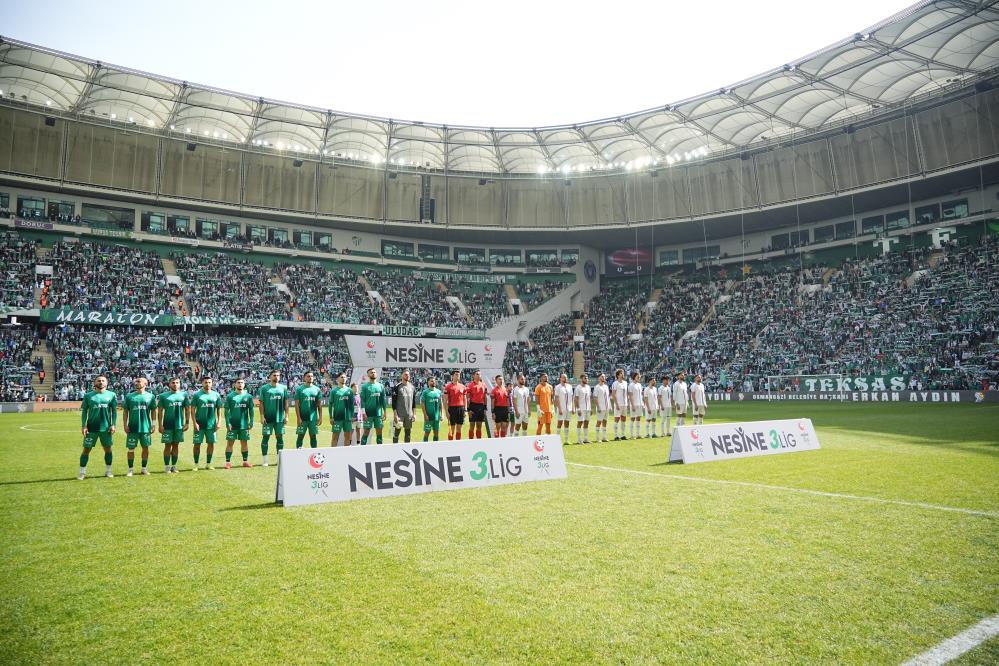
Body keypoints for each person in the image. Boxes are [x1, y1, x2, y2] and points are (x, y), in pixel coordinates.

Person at [77, 374, 117, 480]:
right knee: (86, 449)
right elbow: (85, 411)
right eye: (99, 380)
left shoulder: (112, 395)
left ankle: (108, 471)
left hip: (106, 428)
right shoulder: (88, 395)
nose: (101, 382)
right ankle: (82, 473)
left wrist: (113, 425)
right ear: (95, 383)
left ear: (106, 383)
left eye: (103, 380)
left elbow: (114, 411)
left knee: (108, 449)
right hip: (91, 428)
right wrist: (83, 426)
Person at [122, 376, 154, 476]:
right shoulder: (129, 396)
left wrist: (153, 424)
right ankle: (130, 470)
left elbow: (153, 411)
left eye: (139, 381)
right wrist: (125, 425)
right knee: (131, 449)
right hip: (132, 427)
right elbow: (125, 411)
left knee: (145, 448)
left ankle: (144, 468)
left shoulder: (150, 396)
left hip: (145, 427)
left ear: (145, 384)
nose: (136, 383)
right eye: (136, 381)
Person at [157, 377, 189, 474]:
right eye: (173, 383)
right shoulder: (163, 396)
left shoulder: (184, 395)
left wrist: (187, 423)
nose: (175, 384)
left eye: (177, 383)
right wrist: (160, 425)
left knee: (176, 445)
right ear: (169, 384)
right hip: (167, 425)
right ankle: (167, 466)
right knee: (167, 445)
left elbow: (187, 409)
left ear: (180, 384)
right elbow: (160, 411)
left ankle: (174, 466)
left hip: (179, 425)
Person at [257, 369, 290, 465]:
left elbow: (286, 403)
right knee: (266, 437)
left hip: (280, 418)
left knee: (279, 437)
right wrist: (262, 416)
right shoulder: (264, 388)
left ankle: (279, 460)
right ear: (270, 377)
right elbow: (261, 404)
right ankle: (265, 461)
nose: (276, 377)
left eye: (278, 375)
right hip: (268, 418)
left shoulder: (283, 388)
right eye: (274, 375)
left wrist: (286, 416)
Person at [190, 376, 222, 470]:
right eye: (205, 382)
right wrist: (194, 422)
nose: (207, 384)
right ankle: (196, 464)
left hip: (211, 425)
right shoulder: (197, 395)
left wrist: (219, 422)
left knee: (211, 444)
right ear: (202, 383)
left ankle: (208, 463)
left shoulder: (216, 395)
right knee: (197, 444)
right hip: (199, 424)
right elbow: (192, 410)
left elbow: (219, 409)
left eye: (209, 382)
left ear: (212, 383)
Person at [223, 377, 254, 468]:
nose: (240, 384)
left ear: (244, 384)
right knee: (230, 443)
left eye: (242, 383)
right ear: (235, 384)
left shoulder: (248, 396)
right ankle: (228, 462)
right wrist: (227, 423)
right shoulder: (230, 396)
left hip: (244, 425)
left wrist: (251, 421)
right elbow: (226, 411)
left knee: (244, 443)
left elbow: (251, 410)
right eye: (238, 382)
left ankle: (245, 461)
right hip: (232, 425)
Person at [294, 371, 323, 449]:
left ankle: (314, 453)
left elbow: (319, 405)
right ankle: (298, 453)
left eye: (312, 376)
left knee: (313, 436)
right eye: (308, 376)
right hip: (302, 418)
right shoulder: (300, 389)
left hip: (313, 418)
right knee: (300, 435)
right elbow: (296, 405)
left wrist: (320, 417)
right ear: (304, 378)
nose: (310, 378)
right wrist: (298, 418)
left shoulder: (317, 389)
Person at [359, 368, 388, 445]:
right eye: (371, 372)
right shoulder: (365, 386)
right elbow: (362, 401)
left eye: (374, 372)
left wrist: (385, 412)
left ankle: (379, 450)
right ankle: (361, 449)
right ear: (368, 375)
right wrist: (363, 413)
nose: (373, 373)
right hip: (368, 414)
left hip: (378, 414)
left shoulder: (381, 386)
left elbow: (383, 400)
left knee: (379, 433)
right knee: (366, 432)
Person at [328, 373, 355, 447]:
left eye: (345, 377)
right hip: (337, 418)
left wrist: (352, 416)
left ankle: (346, 454)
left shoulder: (350, 390)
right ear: (338, 379)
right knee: (335, 438)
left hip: (348, 418)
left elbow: (352, 405)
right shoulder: (334, 391)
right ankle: (332, 453)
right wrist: (331, 417)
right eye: (342, 377)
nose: (343, 378)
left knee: (347, 438)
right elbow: (330, 405)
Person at [391, 370, 417, 443]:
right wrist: (395, 415)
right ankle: (394, 450)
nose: (407, 376)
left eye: (408, 375)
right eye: (405, 374)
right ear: (401, 375)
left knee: (408, 434)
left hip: (409, 415)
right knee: (396, 433)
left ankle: (407, 449)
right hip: (399, 415)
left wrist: (414, 414)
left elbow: (414, 402)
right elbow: (393, 402)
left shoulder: (412, 387)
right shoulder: (397, 387)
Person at [444, 370, 467, 441]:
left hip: (461, 408)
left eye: (459, 375)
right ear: (452, 376)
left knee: (459, 428)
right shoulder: (448, 387)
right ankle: (450, 444)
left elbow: (465, 399)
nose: (458, 376)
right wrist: (447, 412)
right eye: (456, 374)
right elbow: (445, 401)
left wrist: (465, 410)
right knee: (452, 428)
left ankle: (458, 444)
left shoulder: (463, 386)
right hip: (452, 409)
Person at [421, 376, 444, 442]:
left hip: (437, 417)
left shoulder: (439, 392)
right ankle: (424, 447)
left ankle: (435, 448)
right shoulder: (425, 392)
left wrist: (441, 414)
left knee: (436, 433)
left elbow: (440, 403)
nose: (433, 382)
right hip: (428, 417)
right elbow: (422, 404)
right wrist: (425, 415)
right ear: (428, 382)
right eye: (431, 381)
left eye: (434, 381)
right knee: (427, 433)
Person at [466, 370, 488, 438]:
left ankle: (479, 442)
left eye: (479, 374)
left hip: (481, 407)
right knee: (472, 425)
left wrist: (485, 408)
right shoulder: (470, 385)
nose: (479, 375)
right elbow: (468, 398)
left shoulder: (484, 385)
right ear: (473, 376)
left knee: (479, 425)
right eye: (477, 374)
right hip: (473, 406)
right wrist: (468, 409)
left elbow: (485, 397)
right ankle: (471, 442)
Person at [554, 373, 573, 442]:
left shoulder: (570, 386)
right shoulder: (557, 387)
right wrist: (559, 408)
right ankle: (556, 440)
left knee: (567, 423)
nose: (565, 379)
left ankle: (566, 440)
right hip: (561, 409)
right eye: (564, 377)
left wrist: (573, 408)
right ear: (560, 378)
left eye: (566, 377)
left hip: (569, 408)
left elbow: (571, 397)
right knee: (560, 423)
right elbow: (556, 398)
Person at [574, 373, 592, 444]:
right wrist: (578, 409)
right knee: (580, 422)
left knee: (586, 423)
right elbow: (576, 399)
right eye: (585, 378)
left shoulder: (588, 387)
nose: (587, 379)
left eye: (587, 378)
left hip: (587, 408)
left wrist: (590, 408)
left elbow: (589, 399)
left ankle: (585, 438)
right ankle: (579, 439)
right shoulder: (578, 388)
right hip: (581, 408)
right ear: (581, 379)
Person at [592, 373, 610, 442]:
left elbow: (607, 397)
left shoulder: (606, 386)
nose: (604, 377)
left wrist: (609, 406)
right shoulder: (597, 387)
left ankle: (604, 437)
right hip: (601, 407)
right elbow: (595, 398)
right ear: (599, 378)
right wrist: (598, 407)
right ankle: (597, 437)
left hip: (606, 407)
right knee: (599, 421)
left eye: (604, 376)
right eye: (602, 376)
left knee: (605, 421)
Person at [610, 369, 628, 440]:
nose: (623, 374)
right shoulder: (615, 383)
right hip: (618, 404)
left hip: (625, 404)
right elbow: (613, 394)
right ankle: (615, 435)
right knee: (617, 419)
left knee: (624, 419)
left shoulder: (625, 383)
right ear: (618, 375)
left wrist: (627, 403)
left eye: (623, 373)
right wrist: (616, 404)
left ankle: (623, 435)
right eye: (621, 373)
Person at [627, 371, 644, 439]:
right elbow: (630, 396)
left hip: (640, 404)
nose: (639, 377)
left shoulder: (639, 385)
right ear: (634, 377)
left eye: (639, 376)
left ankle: (638, 434)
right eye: (638, 376)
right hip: (634, 404)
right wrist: (632, 405)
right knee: (632, 419)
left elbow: (641, 395)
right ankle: (631, 435)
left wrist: (642, 403)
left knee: (638, 419)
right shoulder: (631, 385)